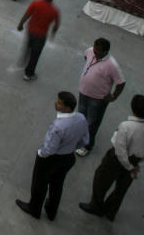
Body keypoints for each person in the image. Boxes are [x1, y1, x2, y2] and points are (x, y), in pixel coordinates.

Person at [79, 94, 144, 221]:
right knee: (121, 188)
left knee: (101, 179)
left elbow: (120, 151)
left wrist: (129, 166)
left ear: (133, 109)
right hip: (136, 160)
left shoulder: (126, 126)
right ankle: (111, 211)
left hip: (116, 160)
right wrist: (138, 165)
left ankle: (96, 206)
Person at [15, 92, 89, 221]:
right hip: (68, 158)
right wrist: (71, 148)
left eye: (59, 103)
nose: (56, 103)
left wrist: (40, 154)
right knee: (57, 185)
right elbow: (84, 140)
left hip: (51, 159)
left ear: (67, 108)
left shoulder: (58, 126)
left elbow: (49, 149)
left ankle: (34, 208)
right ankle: (51, 211)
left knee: (40, 184)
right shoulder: (81, 118)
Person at [76, 38, 126, 157]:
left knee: (92, 123)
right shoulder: (90, 51)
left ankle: (87, 146)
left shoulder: (112, 65)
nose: (95, 52)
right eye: (94, 48)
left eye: (98, 51)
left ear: (105, 52)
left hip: (98, 99)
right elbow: (86, 58)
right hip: (83, 93)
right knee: (82, 117)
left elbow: (121, 82)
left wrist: (113, 96)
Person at [16, 0, 60, 81]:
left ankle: (23, 60)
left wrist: (20, 24)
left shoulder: (35, 3)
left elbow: (27, 15)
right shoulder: (54, 11)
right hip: (41, 35)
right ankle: (28, 74)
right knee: (35, 54)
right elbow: (56, 24)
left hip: (31, 31)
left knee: (28, 45)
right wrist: (53, 33)